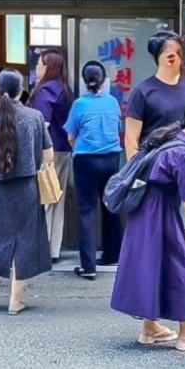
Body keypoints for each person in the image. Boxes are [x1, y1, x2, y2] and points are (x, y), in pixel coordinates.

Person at [110, 98, 185, 351]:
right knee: (178, 265)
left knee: (153, 265)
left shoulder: (171, 141)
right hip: (160, 212)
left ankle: (150, 328)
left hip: (144, 210)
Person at [0, 69, 54, 315]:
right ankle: (15, 302)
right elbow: (48, 155)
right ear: (21, 91)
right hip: (28, 188)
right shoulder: (35, 117)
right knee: (25, 241)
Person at [125, 31, 185, 169]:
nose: (174, 57)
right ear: (158, 56)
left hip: (184, 166)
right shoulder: (142, 92)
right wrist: (135, 174)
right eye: (168, 52)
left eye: (178, 52)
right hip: (154, 169)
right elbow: (131, 140)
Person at [64, 60, 123, 279]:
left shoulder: (79, 104)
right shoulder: (113, 102)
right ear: (104, 80)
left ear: (83, 81)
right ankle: (111, 254)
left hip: (86, 160)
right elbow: (118, 128)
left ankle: (88, 266)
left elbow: (70, 135)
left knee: (87, 210)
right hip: (111, 159)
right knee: (111, 205)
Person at [28, 49, 73, 263]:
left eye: (39, 63)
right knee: (57, 199)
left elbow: (42, 124)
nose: (37, 67)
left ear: (48, 66)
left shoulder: (45, 91)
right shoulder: (64, 89)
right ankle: (53, 249)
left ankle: (40, 248)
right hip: (63, 149)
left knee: (43, 199)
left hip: (48, 152)